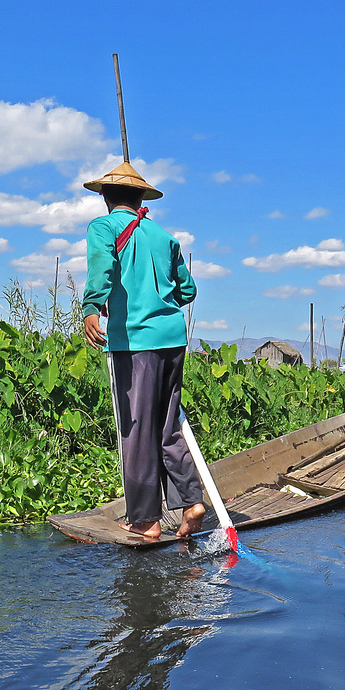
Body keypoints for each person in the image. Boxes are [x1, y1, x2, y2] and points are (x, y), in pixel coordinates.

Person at [80, 160, 208, 540]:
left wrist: (93, 307)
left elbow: (102, 267)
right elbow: (187, 291)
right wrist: (156, 296)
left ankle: (146, 521)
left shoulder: (103, 227)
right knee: (167, 428)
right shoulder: (164, 237)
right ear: (140, 199)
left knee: (135, 430)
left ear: (105, 196)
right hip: (172, 339)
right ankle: (191, 500)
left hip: (135, 342)